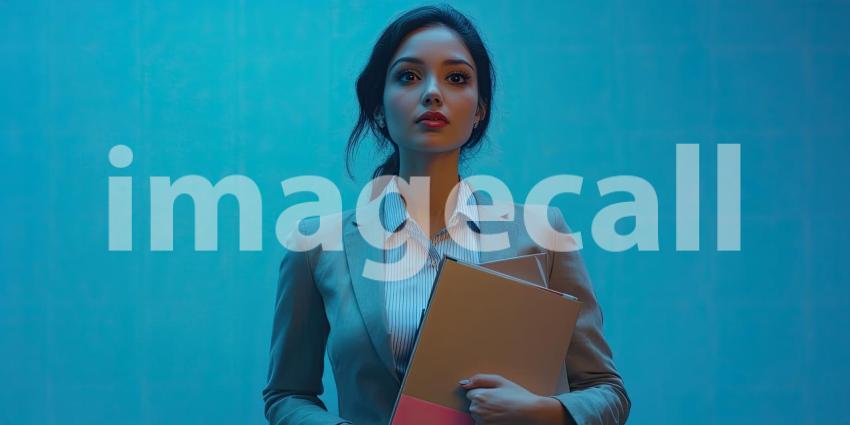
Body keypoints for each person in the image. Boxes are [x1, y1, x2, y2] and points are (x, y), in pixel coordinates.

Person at [263, 5, 630, 425]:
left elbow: (607, 391)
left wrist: (544, 412)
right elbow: (287, 395)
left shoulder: (543, 234)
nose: (433, 93)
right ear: (379, 107)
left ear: (480, 110)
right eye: (408, 76)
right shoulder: (317, 244)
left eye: (457, 78)